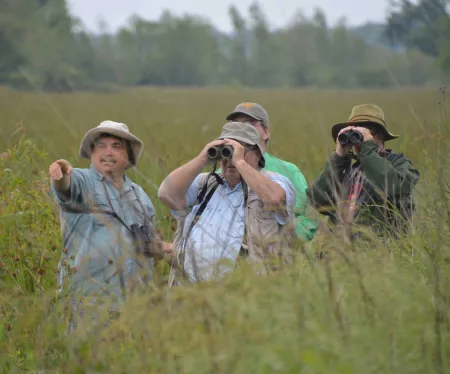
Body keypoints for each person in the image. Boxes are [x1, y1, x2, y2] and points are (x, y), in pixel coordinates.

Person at [49, 120, 168, 330]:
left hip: (133, 305)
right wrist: (59, 172)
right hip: (88, 301)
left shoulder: (140, 195)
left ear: (128, 156)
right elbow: (65, 186)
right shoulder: (82, 181)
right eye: (101, 146)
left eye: (116, 146)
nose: (108, 152)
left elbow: (151, 245)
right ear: (92, 152)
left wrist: (176, 249)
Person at [158, 122, 297, 285]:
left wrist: (240, 162)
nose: (230, 158)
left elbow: (275, 199)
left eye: (241, 150)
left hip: (248, 293)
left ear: (257, 155)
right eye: (226, 152)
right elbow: (166, 194)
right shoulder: (206, 183)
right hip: (192, 292)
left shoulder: (273, 181)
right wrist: (202, 159)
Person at [306, 104, 420, 238]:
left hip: (380, 249)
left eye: (368, 132)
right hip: (344, 250)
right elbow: (316, 199)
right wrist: (339, 158)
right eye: (354, 134)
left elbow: (393, 187)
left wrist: (368, 151)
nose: (359, 139)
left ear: (381, 136)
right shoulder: (347, 169)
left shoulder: (398, 164)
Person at [224, 102, 317, 241]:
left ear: (266, 132)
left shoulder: (288, 171)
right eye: (236, 125)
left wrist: (283, 242)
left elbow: (307, 220)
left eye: (249, 124)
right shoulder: (224, 170)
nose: (241, 129)